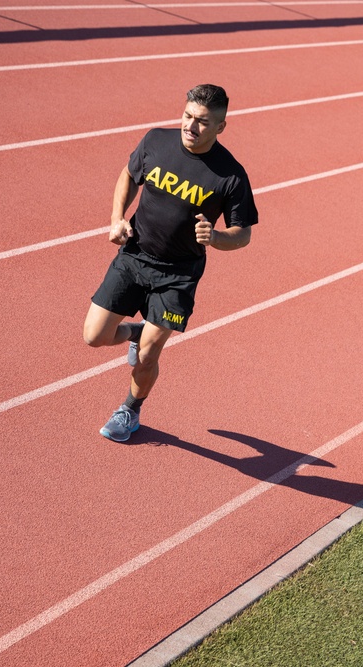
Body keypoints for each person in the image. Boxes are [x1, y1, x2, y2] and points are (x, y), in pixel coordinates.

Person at [83, 84, 258, 442]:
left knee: (148, 355)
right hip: (134, 255)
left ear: (221, 127)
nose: (191, 127)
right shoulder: (155, 141)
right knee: (94, 337)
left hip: (178, 276)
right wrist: (117, 218)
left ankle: (130, 409)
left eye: (203, 122)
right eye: (188, 116)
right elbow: (129, 176)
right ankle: (135, 331)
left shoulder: (231, 176)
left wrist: (218, 238)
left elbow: (243, 233)